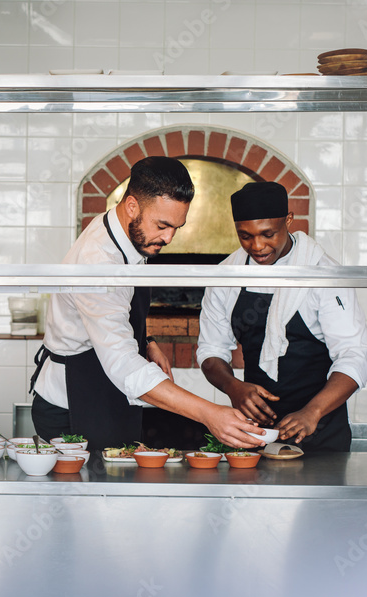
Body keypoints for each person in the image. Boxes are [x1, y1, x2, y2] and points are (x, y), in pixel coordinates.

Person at [29, 156, 265, 452]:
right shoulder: (98, 262)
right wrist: (209, 413)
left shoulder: (124, 229)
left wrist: (147, 339)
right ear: (131, 206)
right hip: (73, 405)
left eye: (177, 227)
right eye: (163, 225)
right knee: (90, 493)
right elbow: (123, 364)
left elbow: (114, 309)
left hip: (100, 387)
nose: (169, 238)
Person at [196, 181, 367, 452]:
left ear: (289, 220)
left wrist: (312, 412)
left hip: (321, 428)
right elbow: (211, 350)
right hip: (256, 430)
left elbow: (354, 354)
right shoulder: (226, 275)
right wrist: (233, 387)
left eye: (268, 234)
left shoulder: (322, 273)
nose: (257, 246)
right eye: (245, 236)